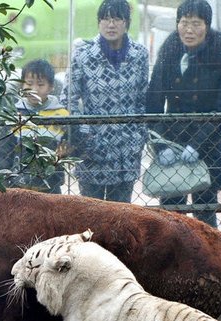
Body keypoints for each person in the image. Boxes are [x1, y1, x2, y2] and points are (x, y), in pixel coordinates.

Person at [145, 0, 221, 228]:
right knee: (170, 217)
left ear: (207, 25)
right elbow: (154, 100)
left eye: (196, 23)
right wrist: (161, 146)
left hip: (208, 145)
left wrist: (196, 145)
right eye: (183, 23)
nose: (189, 30)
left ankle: (207, 262)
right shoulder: (169, 49)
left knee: (205, 216)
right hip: (171, 142)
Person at [61, 0, 148, 203]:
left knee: (121, 214)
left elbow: (143, 98)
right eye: (105, 19)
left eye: (117, 18)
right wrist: (80, 136)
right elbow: (69, 98)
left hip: (126, 150)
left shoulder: (139, 54)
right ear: (99, 22)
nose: (111, 24)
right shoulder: (83, 54)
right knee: (92, 213)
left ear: (126, 22)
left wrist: (139, 136)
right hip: (92, 151)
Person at [0, 59, 70, 193]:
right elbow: (3, 152)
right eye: (29, 84)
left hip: (51, 186)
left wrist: (65, 154)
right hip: (18, 186)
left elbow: (71, 146)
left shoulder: (61, 114)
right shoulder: (14, 114)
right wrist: (0, 182)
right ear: (22, 85)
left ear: (51, 87)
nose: (34, 89)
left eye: (41, 85)